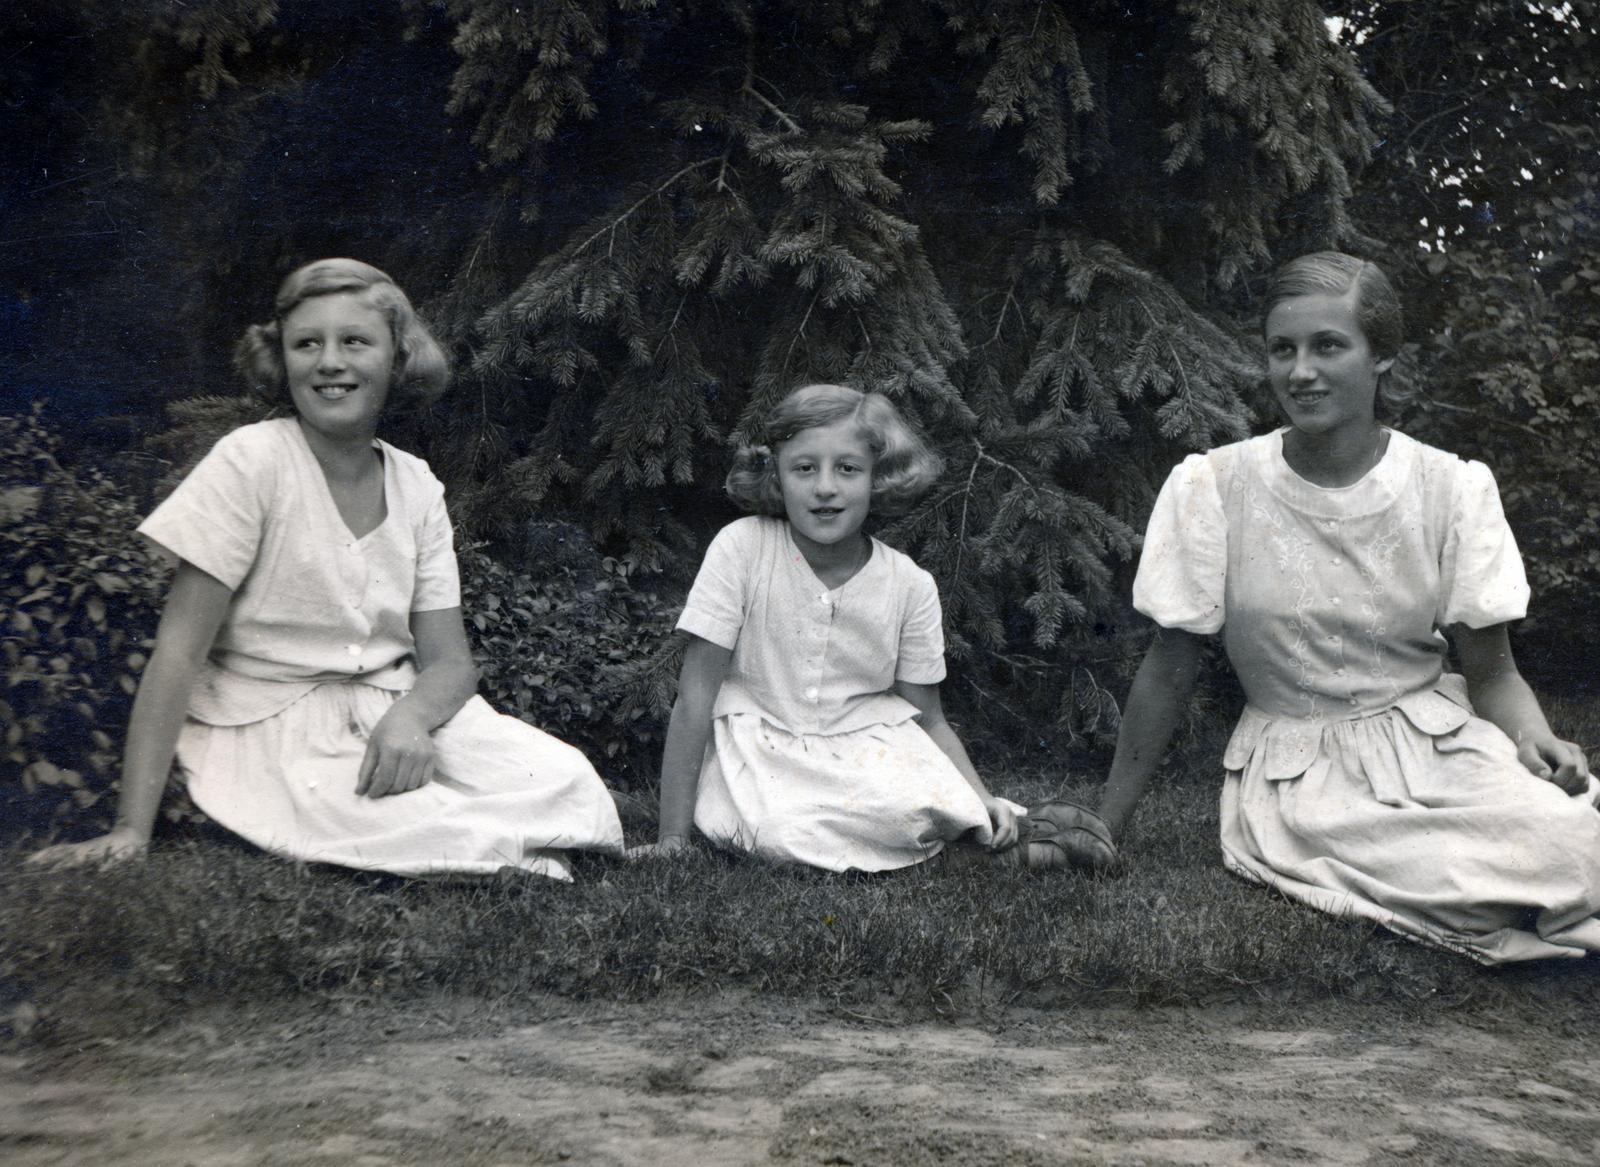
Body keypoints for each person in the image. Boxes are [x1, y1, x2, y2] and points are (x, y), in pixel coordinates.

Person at [30, 258, 625, 880]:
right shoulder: (252, 462)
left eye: (355, 342)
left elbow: (451, 663)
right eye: (307, 344)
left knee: (565, 778)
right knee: (426, 826)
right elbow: (178, 652)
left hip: (390, 707)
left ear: (397, 359)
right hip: (272, 720)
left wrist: (409, 718)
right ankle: (479, 840)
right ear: (281, 359)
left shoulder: (416, 485)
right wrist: (131, 830)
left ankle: (494, 831)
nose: (330, 362)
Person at [1097, 251, 1600, 961]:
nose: (1301, 371)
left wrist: (1534, 738)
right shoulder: (1215, 486)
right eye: (1283, 349)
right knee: (1468, 879)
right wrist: (1106, 825)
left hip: (1438, 746)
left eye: (1328, 346)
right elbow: (1169, 666)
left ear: (1381, 356)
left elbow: (1492, 673)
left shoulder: (1448, 487)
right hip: (1303, 773)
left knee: (1572, 844)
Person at [630, 383, 1114, 872]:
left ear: (878, 478)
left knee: (910, 805)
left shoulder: (908, 583)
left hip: (863, 749)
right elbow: (695, 697)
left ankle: (998, 826)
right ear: (776, 475)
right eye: (804, 468)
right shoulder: (742, 549)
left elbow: (929, 718)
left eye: (847, 469)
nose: (825, 487)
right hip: (762, 751)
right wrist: (672, 838)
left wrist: (978, 794)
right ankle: (998, 854)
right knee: (777, 830)